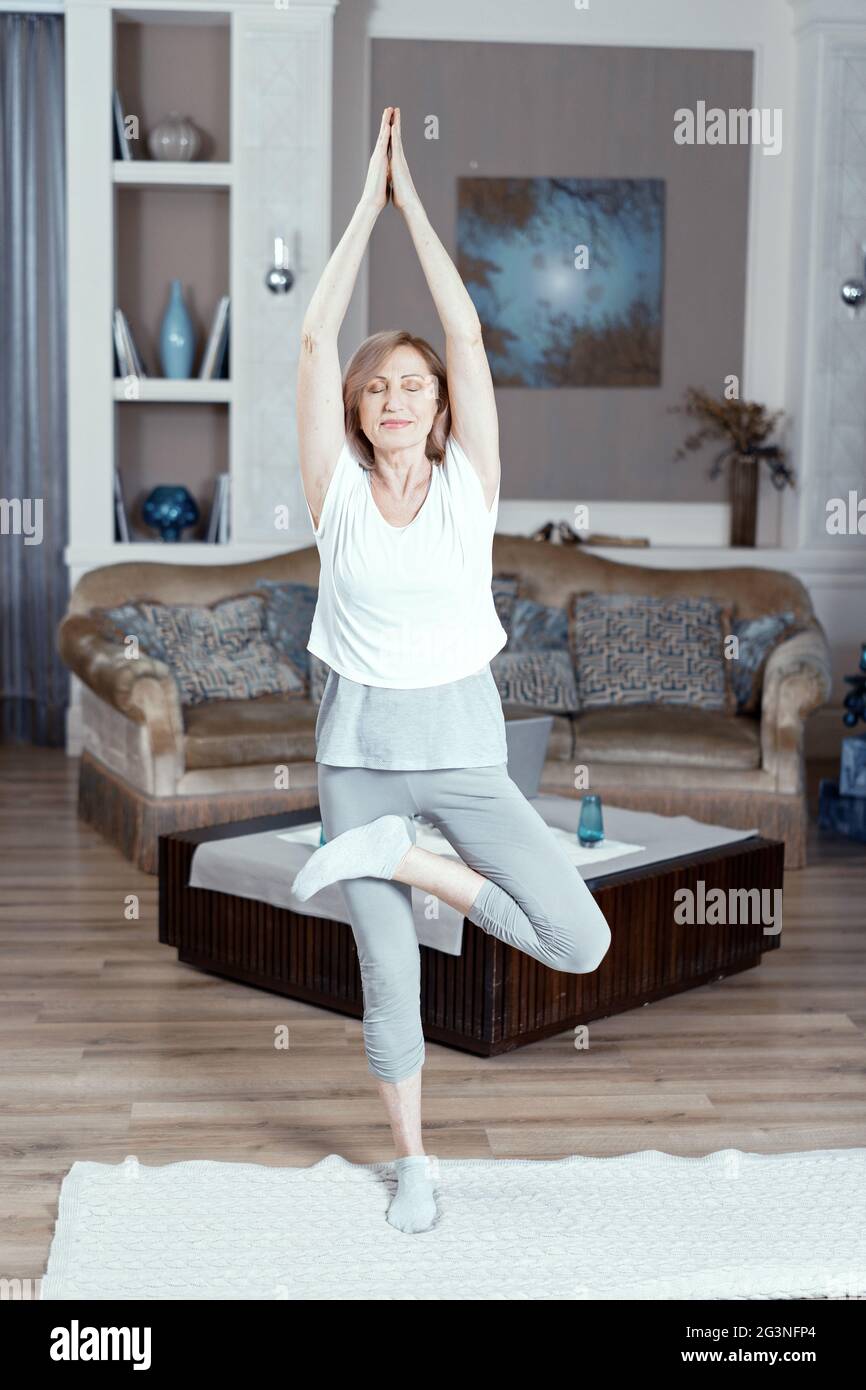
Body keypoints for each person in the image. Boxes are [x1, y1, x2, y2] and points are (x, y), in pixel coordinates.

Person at [291, 106, 611, 1233]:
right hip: (362, 762)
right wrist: (357, 211)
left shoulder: (471, 487)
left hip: (465, 757)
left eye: (410, 387)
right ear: (357, 409)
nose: (391, 398)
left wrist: (409, 200)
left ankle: (410, 869)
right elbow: (310, 338)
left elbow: (467, 335)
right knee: (390, 976)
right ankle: (414, 1161)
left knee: (580, 938)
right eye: (375, 387)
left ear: (435, 410)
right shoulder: (333, 494)